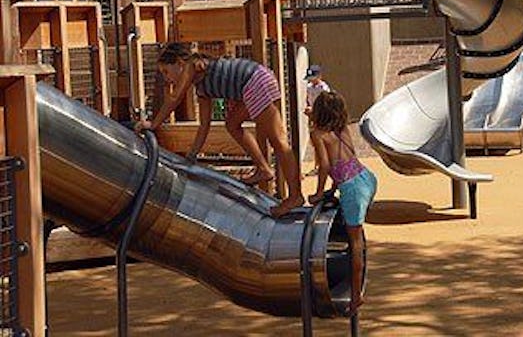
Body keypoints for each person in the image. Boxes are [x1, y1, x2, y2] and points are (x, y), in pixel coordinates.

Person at [134, 42, 304, 217]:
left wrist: (153, 124)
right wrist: (192, 155)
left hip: (255, 81)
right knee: (231, 124)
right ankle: (263, 169)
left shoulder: (192, 65)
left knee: (278, 141)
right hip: (250, 85)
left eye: (166, 72)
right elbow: (204, 126)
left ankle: (295, 195)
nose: (167, 78)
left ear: (179, 63)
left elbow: (175, 97)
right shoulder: (202, 88)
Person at [305, 91, 377, 313]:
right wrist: (334, 189)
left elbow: (325, 165)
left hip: (353, 188)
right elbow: (346, 159)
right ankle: (355, 286)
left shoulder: (318, 134)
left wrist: (319, 193)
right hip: (366, 177)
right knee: (353, 231)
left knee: (354, 243)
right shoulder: (343, 129)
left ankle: (356, 296)